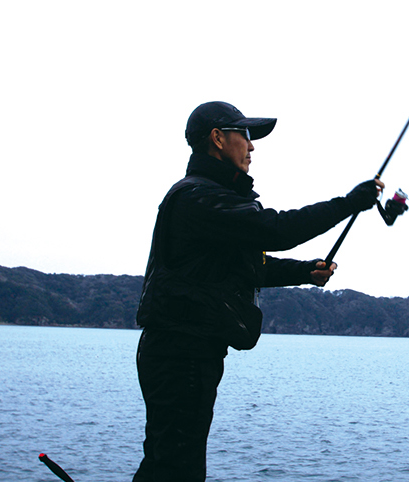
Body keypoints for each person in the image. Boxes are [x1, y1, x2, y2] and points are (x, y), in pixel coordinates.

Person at [132, 101, 381, 481]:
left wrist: (304, 271)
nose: (252, 147)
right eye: (245, 136)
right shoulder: (199, 198)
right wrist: (349, 204)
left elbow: (247, 267)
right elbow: (275, 230)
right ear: (217, 139)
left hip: (185, 350)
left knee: (172, 462)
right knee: (176, 467)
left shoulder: (211, 200)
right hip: (180, 351)